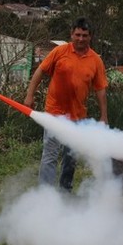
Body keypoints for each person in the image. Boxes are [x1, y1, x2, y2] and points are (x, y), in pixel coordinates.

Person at [24, 17, 108, 191]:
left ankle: (65, 192)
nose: (80, 39)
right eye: (77, 34)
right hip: (54, 113)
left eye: (85, 35)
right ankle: (45, 194)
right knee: (50, 156)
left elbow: (100, 89)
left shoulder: (96, 61)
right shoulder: (59, 51)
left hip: (78, 117)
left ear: (90, 37)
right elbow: (40, 71)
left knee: (71, 157)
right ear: (71, 34)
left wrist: (104, 116)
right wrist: (29, 95)